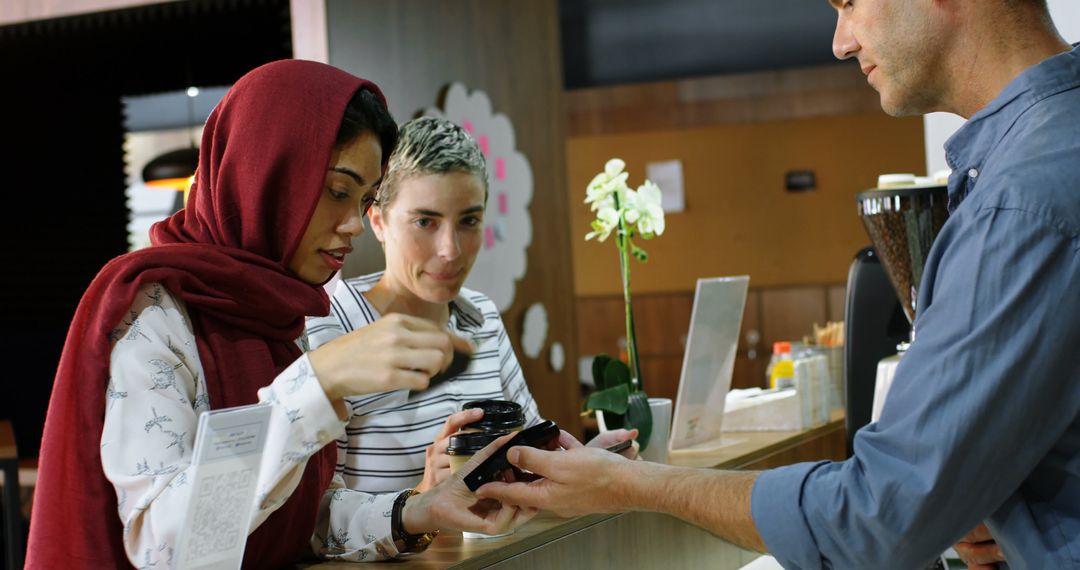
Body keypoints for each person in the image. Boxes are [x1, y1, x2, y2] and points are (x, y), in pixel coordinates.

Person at [477, 2, 1080, 569]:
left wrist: (629, 483)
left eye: (848, 3)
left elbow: (875, 517)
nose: (842, 42)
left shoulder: (1019, 205)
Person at [26, 60, 532, 569]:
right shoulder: (154, 314)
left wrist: (416, 510)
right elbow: (168, 550)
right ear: (265, 173)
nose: (355, 225)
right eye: (338, 191)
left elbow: (296, 515)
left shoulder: (277, 311)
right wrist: (317, 382)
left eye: (365, 199)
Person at [305, 116, 636, 555]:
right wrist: (422, 499)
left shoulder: (482, 316)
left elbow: (529, 445)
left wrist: (581, 464)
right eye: (425, 222)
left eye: (468, 221)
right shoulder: (330, 327)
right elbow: (314, 519)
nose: (451, 250)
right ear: (379, 220)